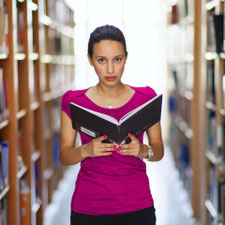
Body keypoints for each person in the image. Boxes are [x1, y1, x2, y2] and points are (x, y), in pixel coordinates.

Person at [60, 25, 164, 225]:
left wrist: (143, 150)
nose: (110, 69)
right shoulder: (74, 101)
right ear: (90, 59)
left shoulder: (146, 98)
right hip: (89, 207)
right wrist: (86, 150)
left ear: (126, 57)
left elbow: (158, 151)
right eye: (101, 60)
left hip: (137, 205)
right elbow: (64, 155)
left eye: (117, 59)